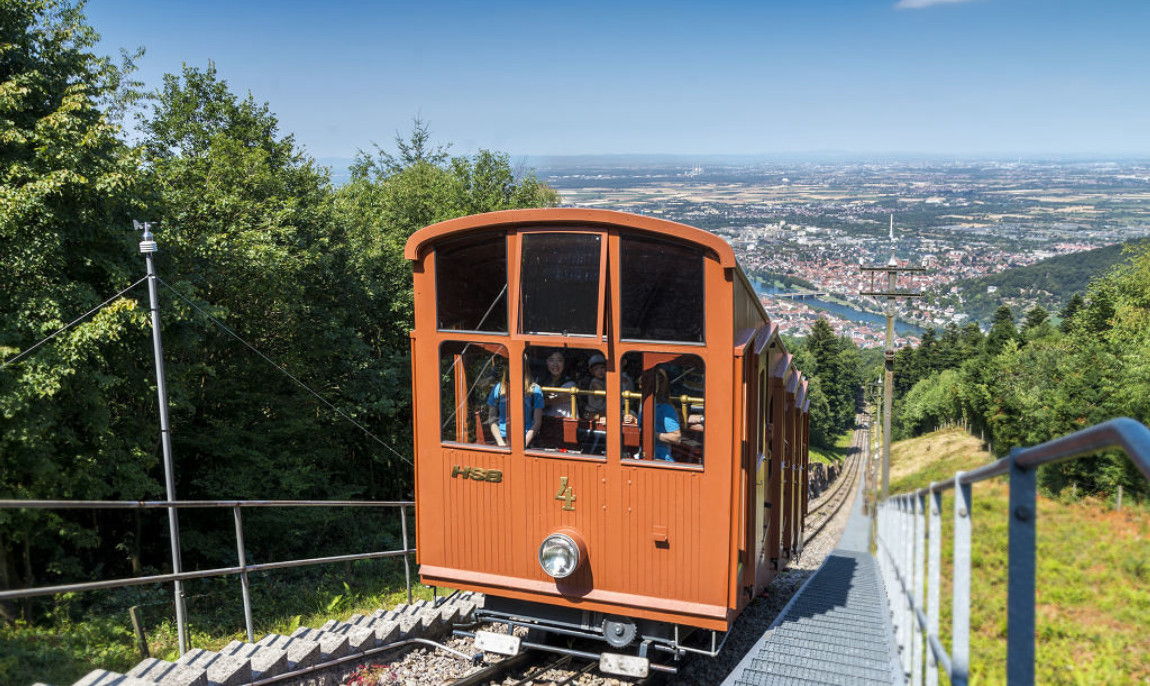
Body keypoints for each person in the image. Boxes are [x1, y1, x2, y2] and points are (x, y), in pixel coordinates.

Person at [625, 367, 681, 461]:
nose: (640, 387)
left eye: (643, 384)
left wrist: (653, 434)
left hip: (661, 460)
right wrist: (633, 419)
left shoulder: (666, 408)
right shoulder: (644, 403)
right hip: (644, 456)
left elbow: (677, 437)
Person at [486, 367, 544, 447]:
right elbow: (492, 420)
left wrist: (524, 443)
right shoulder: (498, 389)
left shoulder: (535, 390)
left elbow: (537, 422)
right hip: (502, 439)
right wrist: (501, 443)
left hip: (526, 439)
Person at [540, 350, 578, 418]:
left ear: (564, 363)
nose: (555, 364)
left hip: (565, 423)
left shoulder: (570, 384)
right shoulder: (542, 381)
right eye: (551, 360)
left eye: (559, 360)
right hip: (545, 421)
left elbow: (556, 399)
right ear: (546, 362)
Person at [583, 353, 608, 421]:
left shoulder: (605, 381)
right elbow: (604, 392)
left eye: (602, 368)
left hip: (603, 411)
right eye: (596, 369)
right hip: (593, 413)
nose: (600, 371)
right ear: (592, 372)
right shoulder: (595, 382)